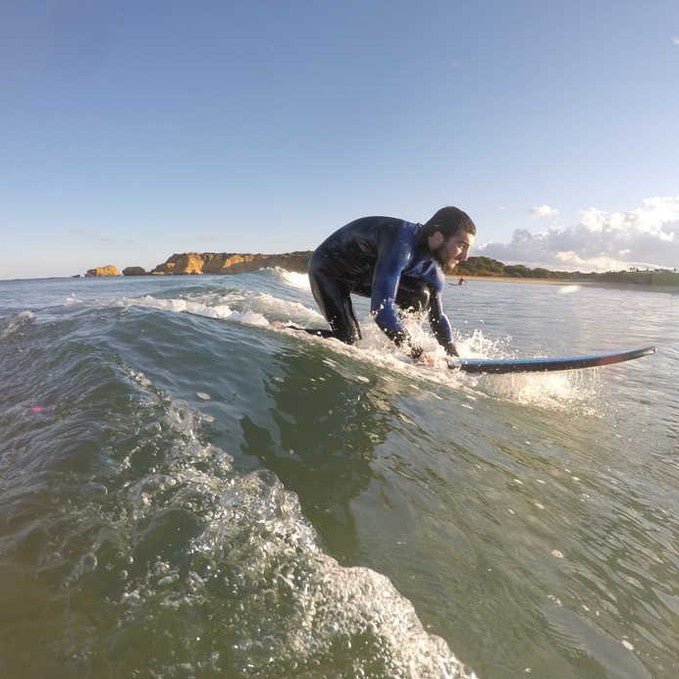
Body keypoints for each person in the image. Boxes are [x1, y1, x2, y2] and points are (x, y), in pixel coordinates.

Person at [307, 206, 476, 359]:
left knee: (421, 294)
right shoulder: (401, 244)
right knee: (349, 341)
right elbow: (380, 310)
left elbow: (437, 318)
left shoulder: (433, 272)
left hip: (365, 274)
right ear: (438, 236)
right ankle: (291, 331)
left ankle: (396, 344)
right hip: (329, 269)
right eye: (462, 245)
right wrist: (417, 354)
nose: (465, 256)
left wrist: (453, 355)